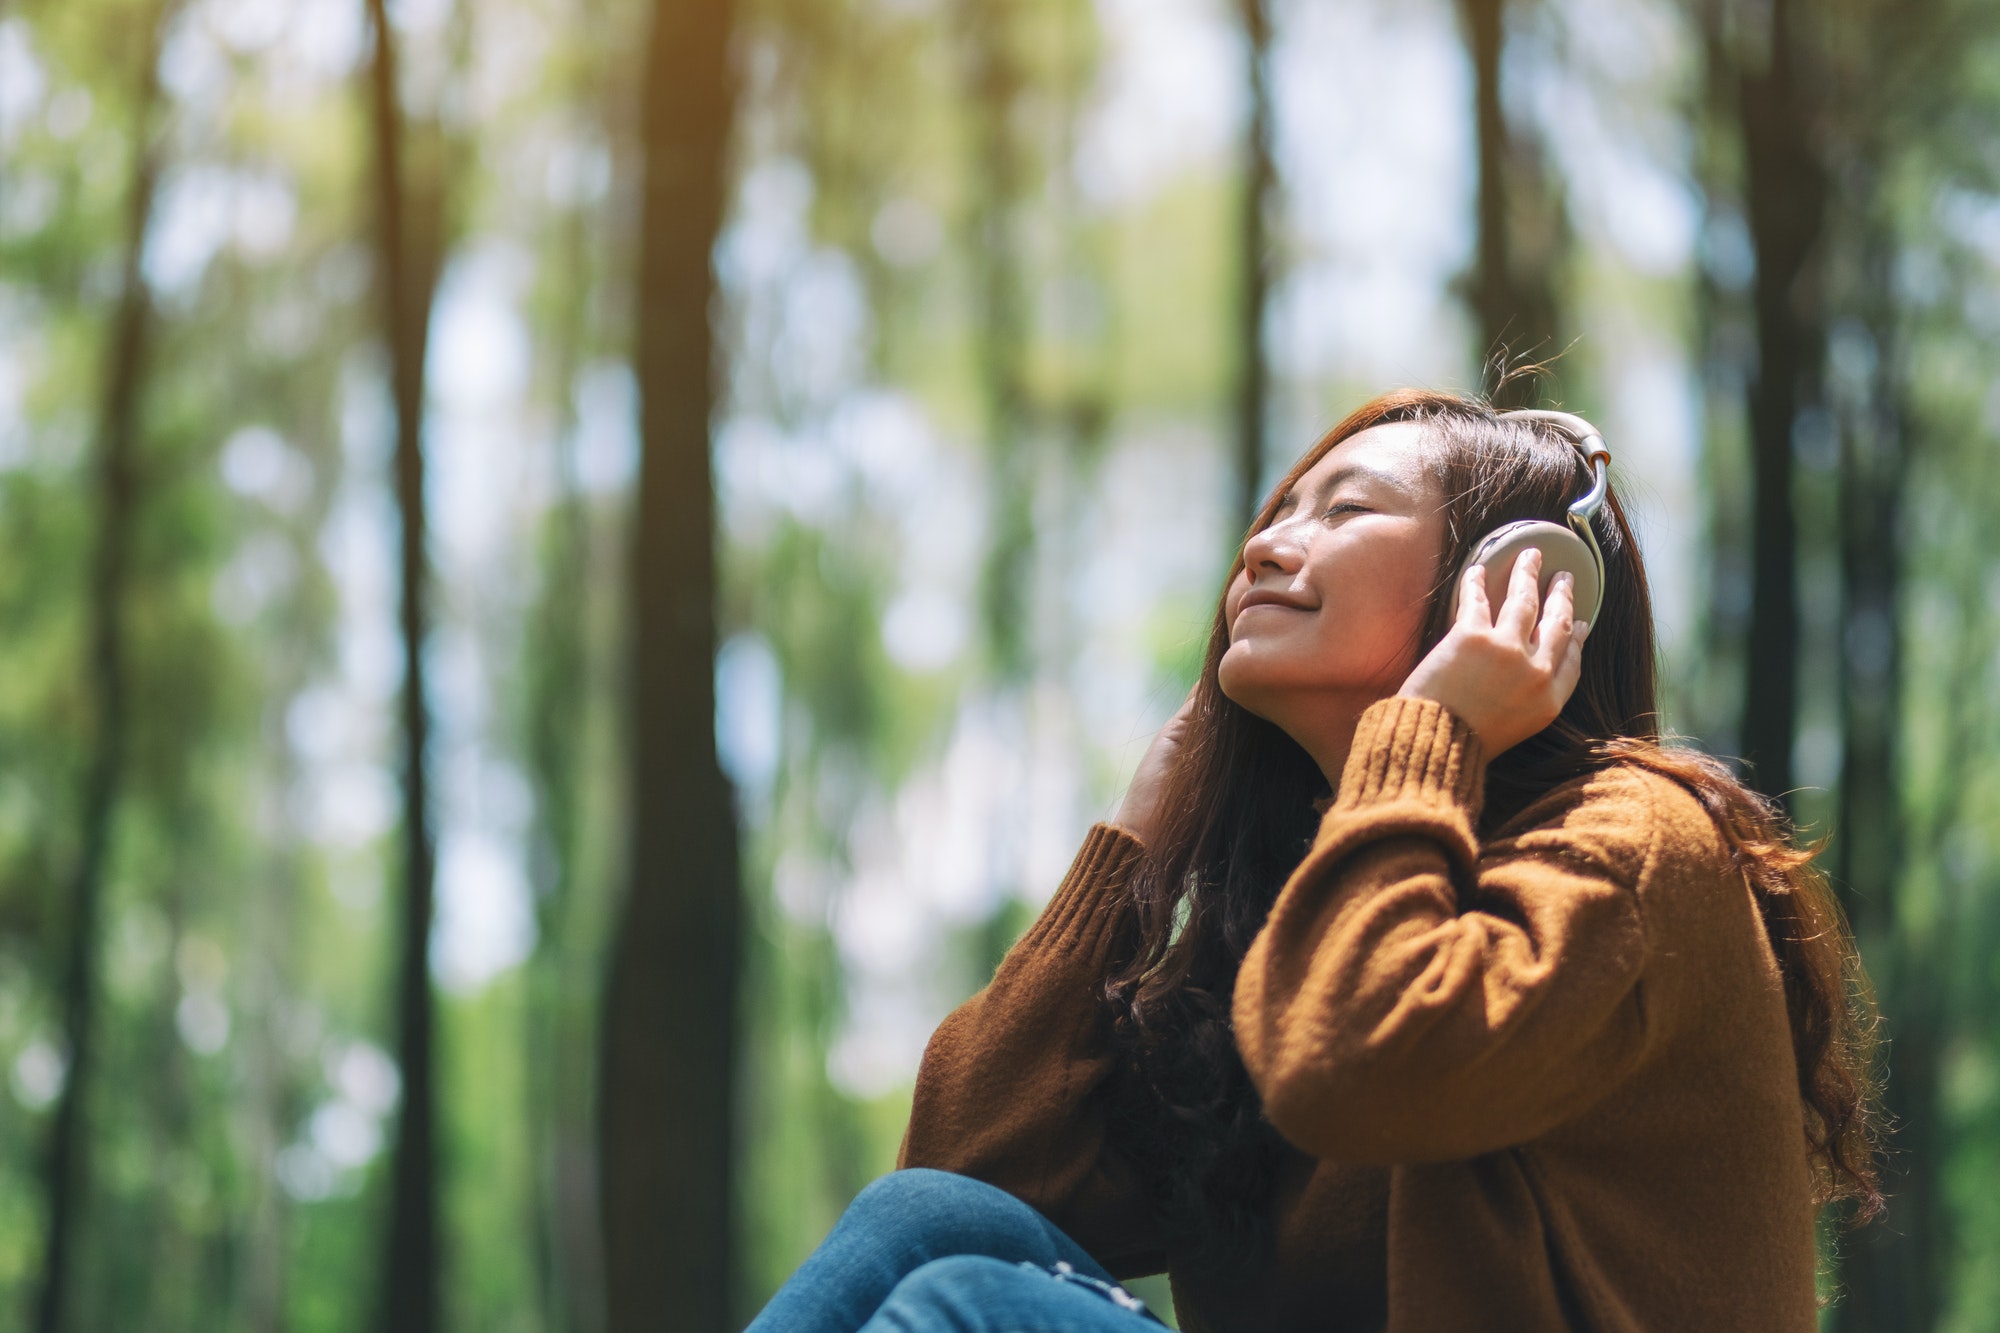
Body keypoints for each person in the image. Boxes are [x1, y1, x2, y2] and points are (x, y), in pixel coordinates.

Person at [746, 389, 1882, 1333]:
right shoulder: (1307, 912)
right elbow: (967, 1169)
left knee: (972, 1307)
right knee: (933, 1230)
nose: (1262, 544)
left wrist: (1430, 729)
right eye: (1276, 510)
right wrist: (1130, 852)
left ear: (1513, 577)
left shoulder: (1634, 842)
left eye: (1345, 509)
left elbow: (1358, 1064)